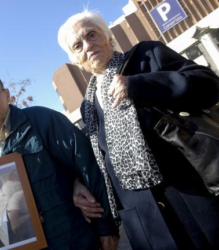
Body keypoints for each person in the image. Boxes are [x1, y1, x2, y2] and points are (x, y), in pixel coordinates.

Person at [58, 10, 219, 250]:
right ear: (74, 60)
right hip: (145, 221)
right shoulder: (88, 106)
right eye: (77, 45)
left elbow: (208, 85)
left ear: (109, 37)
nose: (88, 46)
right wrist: (78, 183)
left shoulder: (146, 56)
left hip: (192, 197)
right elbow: (100, 161)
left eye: (91, 35)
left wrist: (138, 84)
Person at [0, 74, 119, 250]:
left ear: (7, 95)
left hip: (74, 241)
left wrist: (106, 228)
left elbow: (87, 165)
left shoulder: (43, 120)